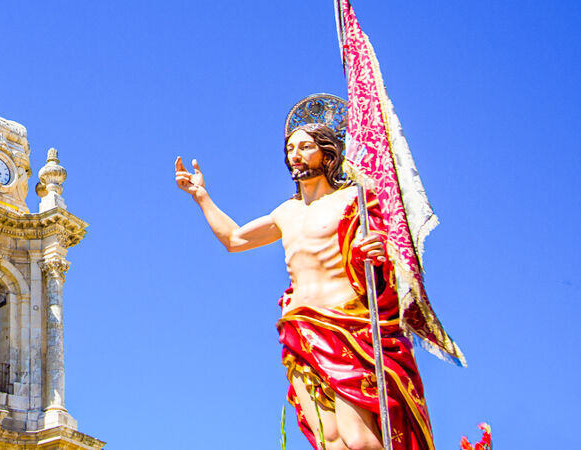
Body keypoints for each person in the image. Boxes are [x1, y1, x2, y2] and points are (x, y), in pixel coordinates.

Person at [174, 122, 433, 450]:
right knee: (331, 441)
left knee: (360, 439)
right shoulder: (286, 212)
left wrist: (382, 250)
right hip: (300, 330)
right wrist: (202, 196)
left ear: (328, 153)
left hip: (349, 327)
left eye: (305, 147)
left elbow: (396, 250)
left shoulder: (355, 199)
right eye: (290, 150)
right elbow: (235, 239)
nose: (295, 156)